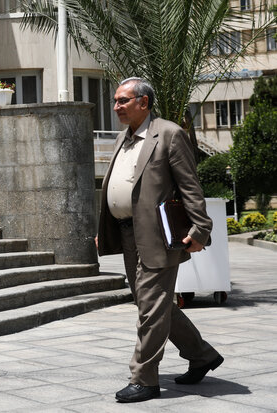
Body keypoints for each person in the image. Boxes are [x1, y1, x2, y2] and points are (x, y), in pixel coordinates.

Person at [96, 77, 223, 403]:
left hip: (158, 237)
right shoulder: (123, 139)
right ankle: (202, 355)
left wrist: (200, 230)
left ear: (144, 102)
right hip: (126, 235)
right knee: (154, 304)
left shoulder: (168, 134)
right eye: (115, 101)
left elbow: (190, 187)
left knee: (150, 310)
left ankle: (144, 378)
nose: (116, 107)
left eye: (123, 100)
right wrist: (105, 229)